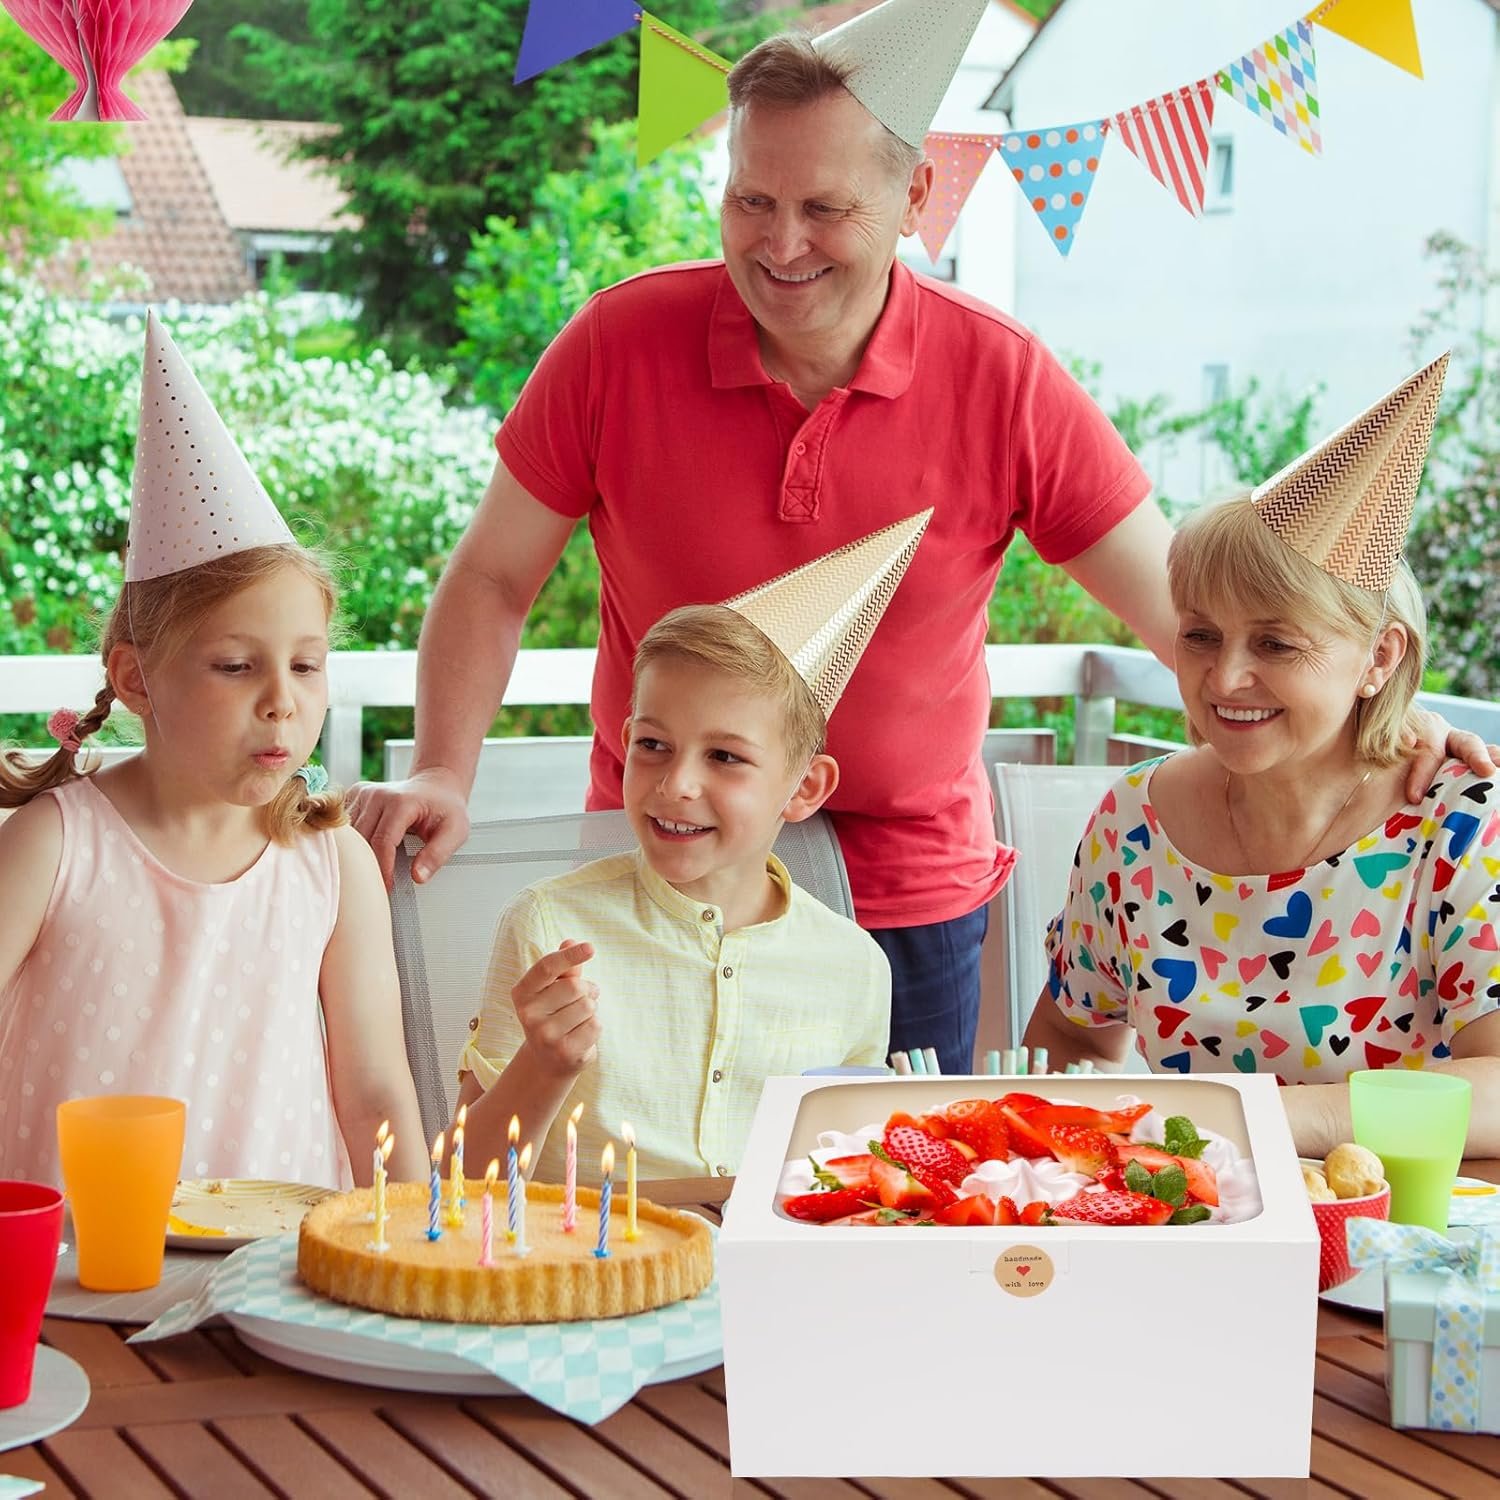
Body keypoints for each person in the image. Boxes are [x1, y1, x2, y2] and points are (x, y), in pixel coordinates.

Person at [348, 0, 1492, 1076]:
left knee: (894, 1212)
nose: (781, 242)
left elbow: (1187, 613)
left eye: (825, 208)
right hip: (669, 858)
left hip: (910, 897)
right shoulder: (615, 343)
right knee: (647, 1186)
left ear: (917, 197)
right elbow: (494, 579)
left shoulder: (1004, 375)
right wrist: (447, 765)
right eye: (752, 199)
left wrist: (1380, 725)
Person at [1025, 354, 1500, 1157]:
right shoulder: (1133, 823)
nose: (1226, 677)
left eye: (1276, 642)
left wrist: (1279, 1122)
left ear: (1379, 659)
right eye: (1200, 635)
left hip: (1390, 1248)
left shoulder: (1457, 821)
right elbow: (1066, 1045)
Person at [0, 314, 427, 1189]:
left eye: (307, 665)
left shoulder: (332, 861)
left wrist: (414, 1251)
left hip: (275, 1280)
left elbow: (376, 1090)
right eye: (236, 666)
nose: (282, 698)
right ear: (137, 679)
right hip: (76, 1282)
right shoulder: (53, 845)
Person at [454, 514, 923, 1180]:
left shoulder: (855, 969)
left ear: (804, 787)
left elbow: (845, 1187)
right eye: (653, 746)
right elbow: (461, 1188)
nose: (675, 784)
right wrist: (546, 1063)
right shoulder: (550, 929)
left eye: (726, 756)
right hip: (589, 1274)